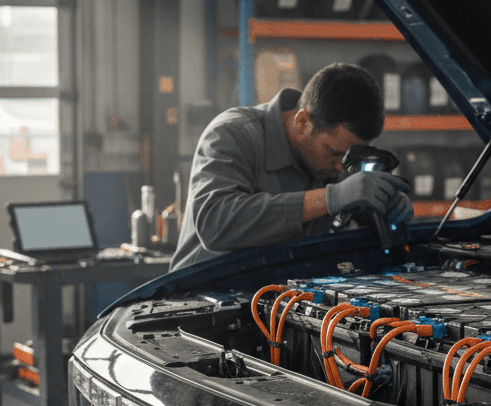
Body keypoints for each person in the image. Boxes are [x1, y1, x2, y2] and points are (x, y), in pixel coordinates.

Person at [170, 63, 412, 270]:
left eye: (348, 157)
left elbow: (347, 213)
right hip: (199, 301)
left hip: (275, 298)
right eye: (334, 153)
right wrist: (330, 198)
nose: (341, 168)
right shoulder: (234, 134)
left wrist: (380, 206)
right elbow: (215, 224)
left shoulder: (331, 160)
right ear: (303, 121)